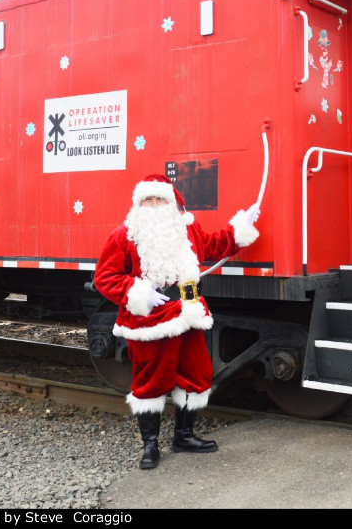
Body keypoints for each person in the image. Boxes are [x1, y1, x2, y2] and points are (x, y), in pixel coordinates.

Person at [93, 173, 260, 470]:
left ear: (171, 203)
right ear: (138, 203)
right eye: (148, 199)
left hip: (188, 311)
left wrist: (240, 228)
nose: (154, 205)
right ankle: (150, 446)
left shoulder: (187, 228)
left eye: (160, 199)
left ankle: (184, 436)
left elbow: (213, 246)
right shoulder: (124, 235)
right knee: (150, 381)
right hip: (149, 320)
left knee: (196, 374)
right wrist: (138, 292)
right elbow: (105, 277)